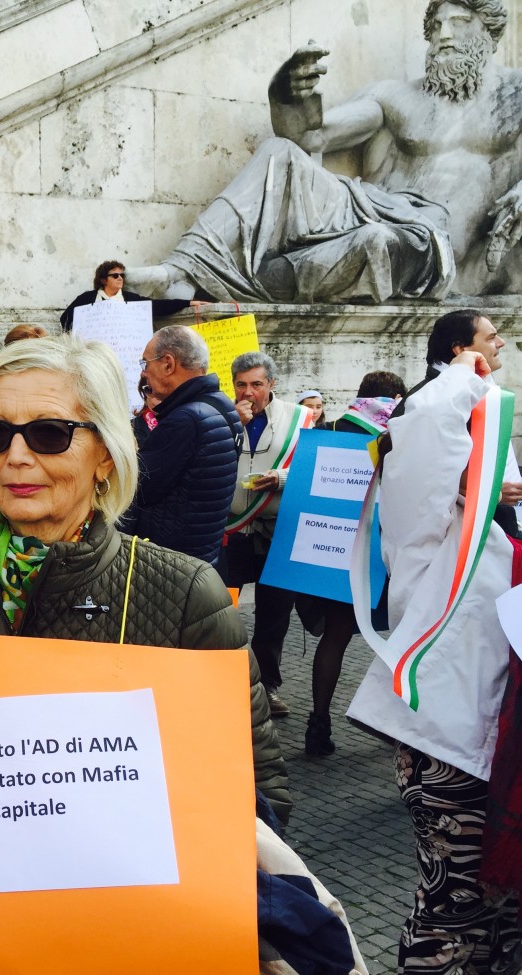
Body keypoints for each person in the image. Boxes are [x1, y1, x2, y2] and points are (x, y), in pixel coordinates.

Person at [0, 335, 292, 824]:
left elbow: (260, 797)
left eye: (49, 432)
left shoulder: (187, 595)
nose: (15, 456)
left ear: (106, 455)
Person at [128, 1, 522, 302]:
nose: (444, 35)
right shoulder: (397, 96)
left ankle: (246, 279)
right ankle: (181, 269)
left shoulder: (514, 95)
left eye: (459, 22)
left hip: (430, 242)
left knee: (376, 243)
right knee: (278, 152)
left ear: (489, 30)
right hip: (371, 206)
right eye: (436, 25)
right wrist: (286, 95)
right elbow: (311, 139)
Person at [347, 351, 520, 972]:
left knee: (506, 917)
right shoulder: (429, 534)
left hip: (509, 752)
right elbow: (422, 439)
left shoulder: (510, 531)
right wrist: (469, 378)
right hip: (450, 751)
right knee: (456, 909)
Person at [297, 370, 406, 757]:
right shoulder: (393, 435)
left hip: (333, 547)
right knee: (404, 635)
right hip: (380, 550)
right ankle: (394, 726)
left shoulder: (333, 429)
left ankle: (318, 722)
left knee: (336, 637)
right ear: (394, 396)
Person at [223, 350, 313, 719]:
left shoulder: (300, 417)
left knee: (274, 614)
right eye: (241, 385)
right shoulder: (222, 415)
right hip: (231, 529)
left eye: (257, 384)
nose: (249, 393)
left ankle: (267, 688)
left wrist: (282, 479)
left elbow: (314, 467)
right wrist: (232, 425)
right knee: (221, 611)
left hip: (279, 528)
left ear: (271, 384)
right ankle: (225, 682)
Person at [391, 309, 522, 537]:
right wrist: (492, 492)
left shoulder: (464, 393)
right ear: (461, 349)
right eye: (491, 337)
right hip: (461, 544)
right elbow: (422, 471)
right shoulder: (429, 403)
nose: (501, 343)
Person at [128, 325, 240, 566]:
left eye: (145, 363)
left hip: (168, 562)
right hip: (201, 554)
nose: (144, 373)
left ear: (168, 364)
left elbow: (137, 489)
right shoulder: (223, 405)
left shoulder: (185, 420)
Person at [58, 260, 197, 331]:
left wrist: (188, 303)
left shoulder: (130, 299)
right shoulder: (86, 299)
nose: (120, 278)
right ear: (103, 279)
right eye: (115, 275)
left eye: (122, 275)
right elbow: (65, 318)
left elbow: (157, 306)